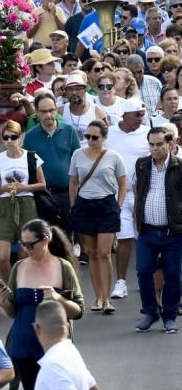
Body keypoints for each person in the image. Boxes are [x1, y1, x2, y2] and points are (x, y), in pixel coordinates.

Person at [0, 218, 84, 390]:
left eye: (29, 244)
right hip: (24, 347)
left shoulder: (63, 267)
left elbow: (79, 310)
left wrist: (58, 299)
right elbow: (12, 311)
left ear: (45, 240)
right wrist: (3, 301)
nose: (24, 249)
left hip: (55, 350)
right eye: (21, 244)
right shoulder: (20, 267)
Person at [69, 120, 127, 313]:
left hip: (106, 205)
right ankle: (98, 297)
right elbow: (73, 182)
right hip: (85, 205)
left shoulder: (114, 157)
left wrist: (117, 206)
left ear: (104, 138)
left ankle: (107, 298)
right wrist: (73, 205)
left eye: (95, 137)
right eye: (87, 136)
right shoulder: (78, 154)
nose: (90, 140)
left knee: (104, 253)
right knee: (92, 253)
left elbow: (123, 183)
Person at [134, 127, 182, 333]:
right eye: (151, 144)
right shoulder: (142, 164)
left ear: (170, 145)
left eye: (159, 144)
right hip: (147, 230)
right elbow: (138, 191)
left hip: (174, 232)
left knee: (173, 275)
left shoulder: (179, 167)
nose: (154, 148)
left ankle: (169, 316)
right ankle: (150, 312)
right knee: (144, 271)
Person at [0, 120, 46, 282]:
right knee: (2, 257)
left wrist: (24, 187)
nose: (9, 141)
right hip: (5, 206)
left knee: (24, 255)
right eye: (5, 137)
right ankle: (8, 288)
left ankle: (22, 287)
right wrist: (5, 188)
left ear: (20, 137)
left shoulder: (31, 157)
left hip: (27, 205)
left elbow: (42, 184)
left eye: (13, 137)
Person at [104, 99, 149, 300]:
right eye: (137, 115)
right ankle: (121, 282)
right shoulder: (110, 134)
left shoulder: (147, 133)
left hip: (143, 194)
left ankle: (144, 277)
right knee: (124, 238)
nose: (141, 118)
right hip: (118, 194)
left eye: (142, 114)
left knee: (145, 237)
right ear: (125, 115)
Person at [24, 92, 81, 222]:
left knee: (67, 238)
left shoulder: (69, 131)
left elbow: (78, 162)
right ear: (36, 113)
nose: (48, 115)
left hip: (67, 194)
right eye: (43, 112)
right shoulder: (30, 136)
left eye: (51, 110)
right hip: (43, 196)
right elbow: (28, 168)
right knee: (45, 238)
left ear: (56, 109)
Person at [60, 72, 107, 145]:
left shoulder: (96, 110)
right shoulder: (60, 111)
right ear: (65, 92)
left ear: (85, 89)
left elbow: (105, 137)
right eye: (70, 89)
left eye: (78, 89)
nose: (74, 92)